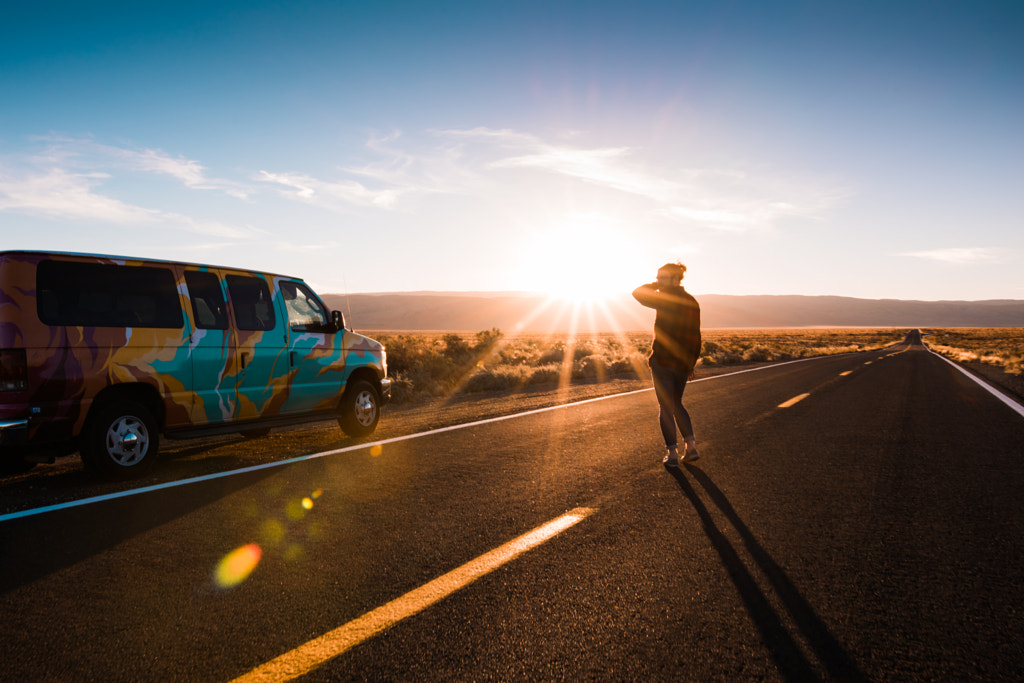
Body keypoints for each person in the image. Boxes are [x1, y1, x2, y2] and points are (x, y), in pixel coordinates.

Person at [632, 262, 702, 467]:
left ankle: (672, 454)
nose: (658, 281)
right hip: (682, 364)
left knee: (665, 407)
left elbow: (637, 293)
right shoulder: (692, 302)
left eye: (662, 277)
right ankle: (691, 447)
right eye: (657, 277)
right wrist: (690, 364)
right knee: (676, 403)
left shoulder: (664, 298)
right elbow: (696, 337)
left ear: (674, 279)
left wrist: (655, 285)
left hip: (663, 361)